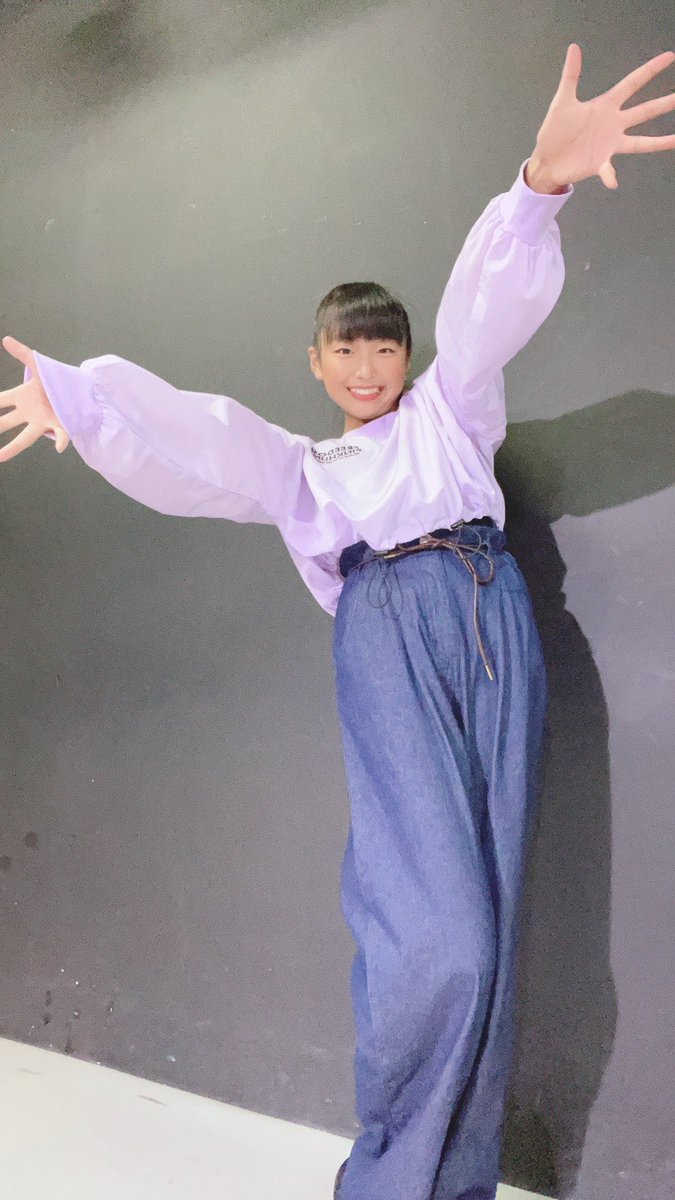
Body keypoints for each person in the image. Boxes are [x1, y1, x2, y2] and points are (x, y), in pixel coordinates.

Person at [2, 43, 673, 1200]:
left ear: (405, 355)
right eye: (346, 347)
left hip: (494, 611)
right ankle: (387, 1182)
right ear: (315, 362)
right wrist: (85, 398)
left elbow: (482, 317)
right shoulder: (304, 469)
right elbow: (203, 438)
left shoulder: (450, 416)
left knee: (497, 925)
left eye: (384, 344)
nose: (368, 365)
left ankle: (451, 1183)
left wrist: (538, 189)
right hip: (388, 630)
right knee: (438, 936)